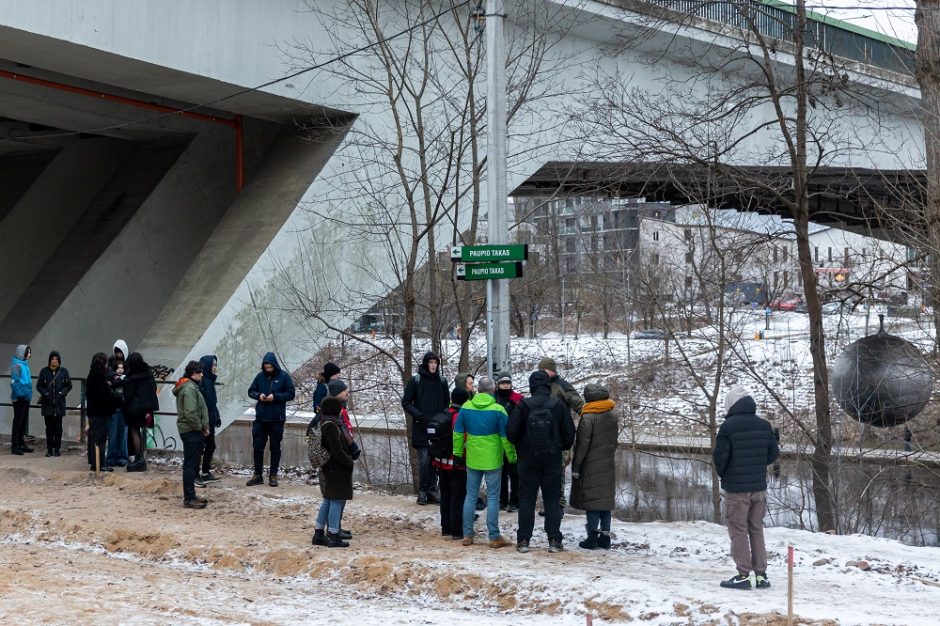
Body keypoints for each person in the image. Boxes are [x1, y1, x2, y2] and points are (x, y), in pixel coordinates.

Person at [713, 385, 780, 590]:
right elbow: (773, 453)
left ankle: (743, 574)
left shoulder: (727, 428)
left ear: (730, 405)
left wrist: (726, 475)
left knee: (738, 530)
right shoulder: (764, 425)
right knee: (756, 529)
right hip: (759, 488)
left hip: (737, 489)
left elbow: (720, 458)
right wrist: (759, 467)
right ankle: (761, 575)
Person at [507, 371, 576, 553]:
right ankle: (554, 540)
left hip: (527, 460)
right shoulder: (558, 405)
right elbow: (569, 434)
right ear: (547, 384)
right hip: (552, 460)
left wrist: (523, 446)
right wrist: (559, 446)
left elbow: (511, 433)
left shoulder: (523, 405)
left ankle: (523, 541)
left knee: (527, 499)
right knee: (552, 499)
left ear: (532, 386)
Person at [453, 376, 515, 548]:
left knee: (470, 495)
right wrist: (512, 456)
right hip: (493, 459)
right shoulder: (499, 410)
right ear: (493, 390)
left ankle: (467, 535)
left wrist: (457, 452)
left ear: (478, 390)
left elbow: (457, 433)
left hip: (473, 458)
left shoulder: (466, 407)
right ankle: (494, 537)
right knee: (493, 498)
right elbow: (505, 438)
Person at [569, 384, 618, 550]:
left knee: (592, 503)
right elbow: (614, 443)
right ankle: (605, 538)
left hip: (590, 465)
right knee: (604, 502)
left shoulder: (588, 416)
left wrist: (576, 467)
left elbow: (582, 445)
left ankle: (591, 538)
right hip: (608, 462)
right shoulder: (612, 415)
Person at [537, 356, 584, 517]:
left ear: (552, 371)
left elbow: (580, 406)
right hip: (542, 435)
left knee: (558, 470)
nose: (541, 373)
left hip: (560, 435)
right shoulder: (539, 386)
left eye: (544, 370)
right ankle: (547, 504)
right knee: (544, 470)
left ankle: (558, 505)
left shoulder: (562, 386)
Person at [401, 351, 449, 505]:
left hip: (438, 429)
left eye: (436, 363)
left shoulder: (442, 381)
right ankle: (423, 491)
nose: (433, 365)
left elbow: (446, 405)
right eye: (431, 362)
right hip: (421, 426)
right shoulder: (416, 380)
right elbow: (406, 402)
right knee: (424, 461)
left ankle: (434, 491)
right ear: (426, 363)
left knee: (435, 461)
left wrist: (443, 421)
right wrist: (419, 415)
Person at [246, 352, 295, 487]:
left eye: (270, 368)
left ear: (274, 366)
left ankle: (273, 475)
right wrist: (259, 395)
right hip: (261, 418)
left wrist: (276, 397)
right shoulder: (260, 376)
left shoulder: (284, 376)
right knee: (257, 447)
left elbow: (291, 393)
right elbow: (250, 391)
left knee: (275, 448)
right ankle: (257, 474)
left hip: (276, 419)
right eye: (266, 367)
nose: (268, 370)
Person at [311, 396, 355, 548]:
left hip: (328, 468)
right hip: (335, 469)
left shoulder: (324, 423)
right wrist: (348, 462)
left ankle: (318, 533)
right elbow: (336, 450)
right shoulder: (331, 426)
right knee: (336, 500)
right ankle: (334, 535)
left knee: (328, 500)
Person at [433, 387, 469, 540]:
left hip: (441, 462)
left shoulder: (444, 413)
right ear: (465, 400)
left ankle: (446, 528)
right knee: (458, 496)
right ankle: (457, 531)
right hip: (456, 463)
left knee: (445, 495)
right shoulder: (460, 417)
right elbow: (463, 438)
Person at [174, 361, 210, 509]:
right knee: (190, 465)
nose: (202, 374)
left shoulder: (189, 386)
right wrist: (200, 427)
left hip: (190, 430)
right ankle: (189, 498)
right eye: (200, 372)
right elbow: (190, 412)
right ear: (194, 373)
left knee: (191, 464)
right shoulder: (189, 388)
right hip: (191, 431)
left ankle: (191, 495)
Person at [122, 352, 160, 472]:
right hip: (147, 408)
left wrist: (124, 406)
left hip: (135, 408)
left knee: (134, 430)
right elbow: (153, 388)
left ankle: (139, 459)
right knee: (140, 431)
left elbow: (128, 394)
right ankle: (141, 459)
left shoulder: (132, 376)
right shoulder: (148, 374)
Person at [85, 352, 121, 472]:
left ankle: (94, 462)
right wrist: (119, 397)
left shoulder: (92, 375)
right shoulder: (99, 377)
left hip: (92, 411)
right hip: (100, 412)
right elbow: (106, 393)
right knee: (99, 438)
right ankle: (99, 464)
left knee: (93, 437)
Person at [495, 372, 522, 513]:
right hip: (497, 440)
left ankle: (515, 501)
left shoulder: (517, 399)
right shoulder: (493, 398)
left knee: (514, 473)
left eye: (507, 383)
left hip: (513, 440)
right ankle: (503, 501)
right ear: (498, 384)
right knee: (501, 472)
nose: (505, 385)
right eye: (502, 383)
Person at [36, 351, 72, 457]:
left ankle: (57, 449)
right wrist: (46, 394)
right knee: (49, 428)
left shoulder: (63, 372)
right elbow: (39, 386)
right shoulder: (44, 371)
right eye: (53, 359)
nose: (54, 361)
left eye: (56, 359)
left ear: (59, 360)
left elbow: (69, 385)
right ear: (49, 360)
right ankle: (49, 449)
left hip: (59, 403)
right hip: (48, 404)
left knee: (58, 427)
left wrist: (62, 393)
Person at [106, 340, 130, 467]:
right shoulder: (111, 363)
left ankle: (121, 456)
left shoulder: (128, 363)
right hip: (114, 406)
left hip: (123, 407)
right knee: (114, 433)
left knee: (123, 433)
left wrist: (116, 381)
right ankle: (112, 456)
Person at [198, 355, 222, 482]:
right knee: (200, 446)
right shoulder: (203, 382)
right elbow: (203, 404)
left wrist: (216, 415)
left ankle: (205, 471)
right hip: (204, 420)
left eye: (215, 365)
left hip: (210, 418)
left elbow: (212, 402)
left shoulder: (209, 380)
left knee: (210, 445)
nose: (215, 368)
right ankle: (197, 473)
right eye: (213, 365)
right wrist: (204, 423)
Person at [10, 345, 33, 455]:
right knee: (18, 422)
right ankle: (15, 446)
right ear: (21, 353)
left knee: (22, 422)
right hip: (20, 398)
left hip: (25, 397)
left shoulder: (25, 365)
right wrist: (20, 395)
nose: (29, 354)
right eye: (27, 352)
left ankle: (21, 444)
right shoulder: (17, 365)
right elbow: (14, 382)